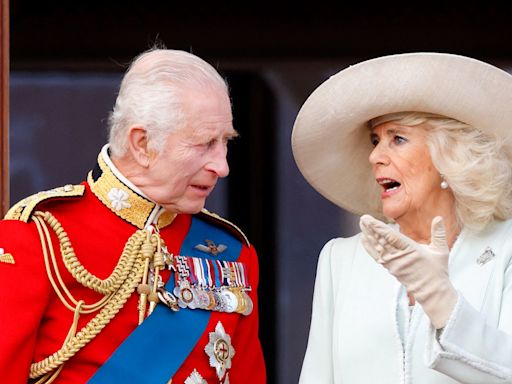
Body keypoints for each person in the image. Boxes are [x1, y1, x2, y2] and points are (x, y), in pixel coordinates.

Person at [0, 48, 266, 384]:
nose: (222, 166)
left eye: (225, 142)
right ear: (141, 144)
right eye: (205, 143)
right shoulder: (38, 239)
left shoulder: (233, 255)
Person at [292, 52, 512, 383]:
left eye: (398, 138)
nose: (375, 156)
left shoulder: (505, 250)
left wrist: (440, 298)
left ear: (447, 156)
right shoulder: (342, 259)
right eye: (375, 140)